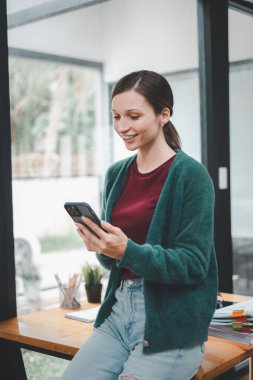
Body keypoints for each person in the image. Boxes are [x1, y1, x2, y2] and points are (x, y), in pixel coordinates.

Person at [62, 70, 218, 380]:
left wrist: (127, 250)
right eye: (116, 116)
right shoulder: (116, 174)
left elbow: (193, 264)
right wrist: (102, 246)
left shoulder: (191, 176)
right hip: (119, 313)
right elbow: (114, 261)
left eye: (133, 116)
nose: (122, 127)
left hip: (171, 323)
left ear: (164, 114)